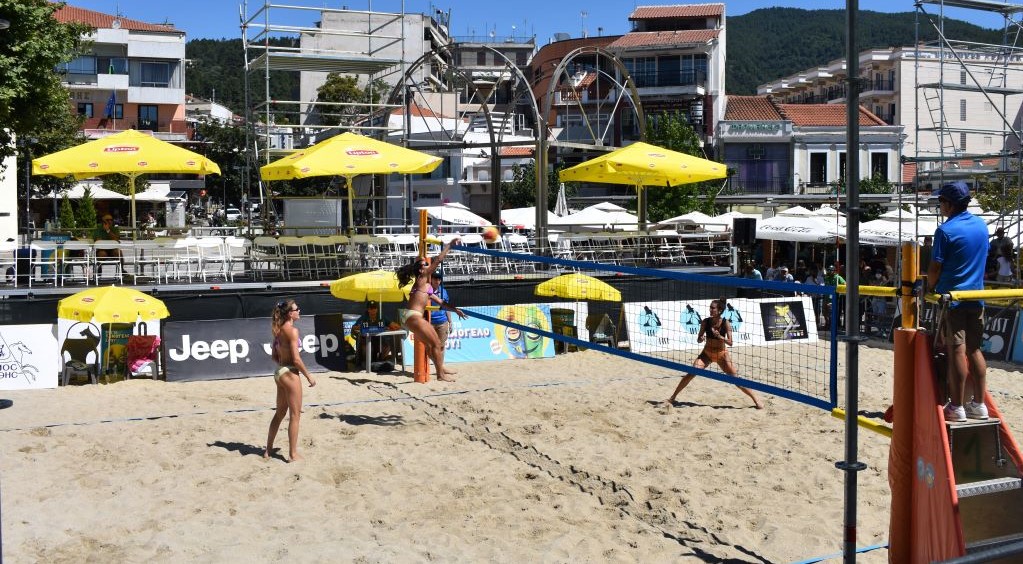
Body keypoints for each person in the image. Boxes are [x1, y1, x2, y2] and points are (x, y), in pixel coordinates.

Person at [926, 181, 989, 422]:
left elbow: (935, 267)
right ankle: (980, 405)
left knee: (956, 351)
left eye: (940, 201)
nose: (939, 206)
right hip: (977, 296)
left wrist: (929, 287)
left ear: (949, 204)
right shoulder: (981, 226)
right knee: (974, 349)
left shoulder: (946, 230)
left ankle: (957, 406)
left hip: (952, 298)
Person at [664, 298, 763, 409]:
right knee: (690, 373)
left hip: (722, 355)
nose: (710, 310)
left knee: (737, 381)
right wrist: (700, 338)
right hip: (706, 354)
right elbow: (699, 339)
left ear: (719, 310)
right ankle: (672, 397)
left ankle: (756, 399)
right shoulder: (706, 322)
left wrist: (720, 337)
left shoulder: (726, 323)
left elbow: (730, 342)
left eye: (713, 308)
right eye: (710, 307)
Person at [395, 240, 467, 382]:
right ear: (421, 270)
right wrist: (449, 246)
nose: (428, 266)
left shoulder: (424, 286)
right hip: (414, 317)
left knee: (430, 346)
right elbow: (438, 259)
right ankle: (441, 374)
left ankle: (440, 369)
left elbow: (441, 302)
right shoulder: (422, 277)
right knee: (436, 345)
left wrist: (455, 310)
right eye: (425, 265)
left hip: (410, 317)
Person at [265, 299, 316, 462]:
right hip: (290, 373)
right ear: (290, 313)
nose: (299, 311)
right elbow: (296, 360)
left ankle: (268, 450)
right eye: (297, 309)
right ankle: (293, 455)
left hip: (279, 372)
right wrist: (309, 376)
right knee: (295, 416)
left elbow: (274, 355)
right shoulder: (292, 331)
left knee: (279, 414)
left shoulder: (278, 330)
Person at [350, 300, 400, 370]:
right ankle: (367, 363)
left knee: (386, 346)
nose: (373, 310)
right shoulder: (364, 317)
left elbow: (396, 326)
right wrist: (365, 326)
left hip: (378, 339)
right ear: (368, 310)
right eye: (371, 308)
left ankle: (380, 361)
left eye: (374, 308)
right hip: (366, 340)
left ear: (377, 309)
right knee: (367, 347)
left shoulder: (381, 317)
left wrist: (388, 327)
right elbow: (354, 327)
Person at [429, 270, 458, 377]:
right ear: (431, 279)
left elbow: (447, 307)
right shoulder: (427, 290)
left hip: (442, 322)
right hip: (429, 322)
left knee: (441, 347)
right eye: (435, 278)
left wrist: (450, 322)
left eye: (439, 279)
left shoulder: (443, 291)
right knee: (429, 348)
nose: (437, 281)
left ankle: (441, 368)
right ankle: (441, 367)